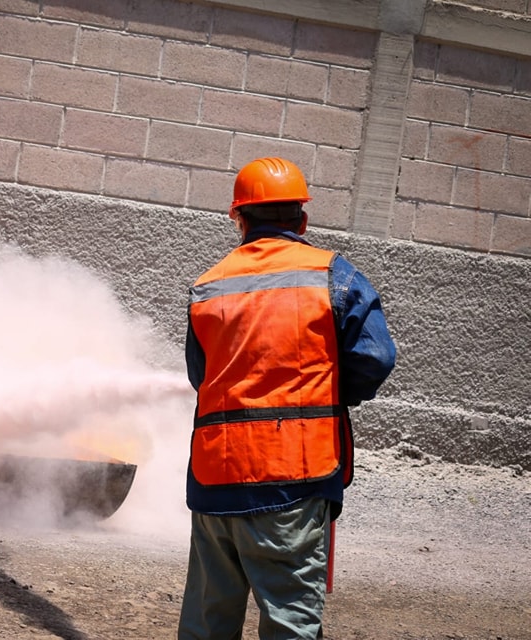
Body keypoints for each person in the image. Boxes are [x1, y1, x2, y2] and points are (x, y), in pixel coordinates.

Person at [177, 157, 396, 640]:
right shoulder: (331, 276)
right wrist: (326, 393)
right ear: (302, 219)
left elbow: (202, 377)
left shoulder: (208, 286)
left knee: (207, 622)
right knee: (289, 623)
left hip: (215, 478)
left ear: (239, 220)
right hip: (291, 478)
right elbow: (375, 358)